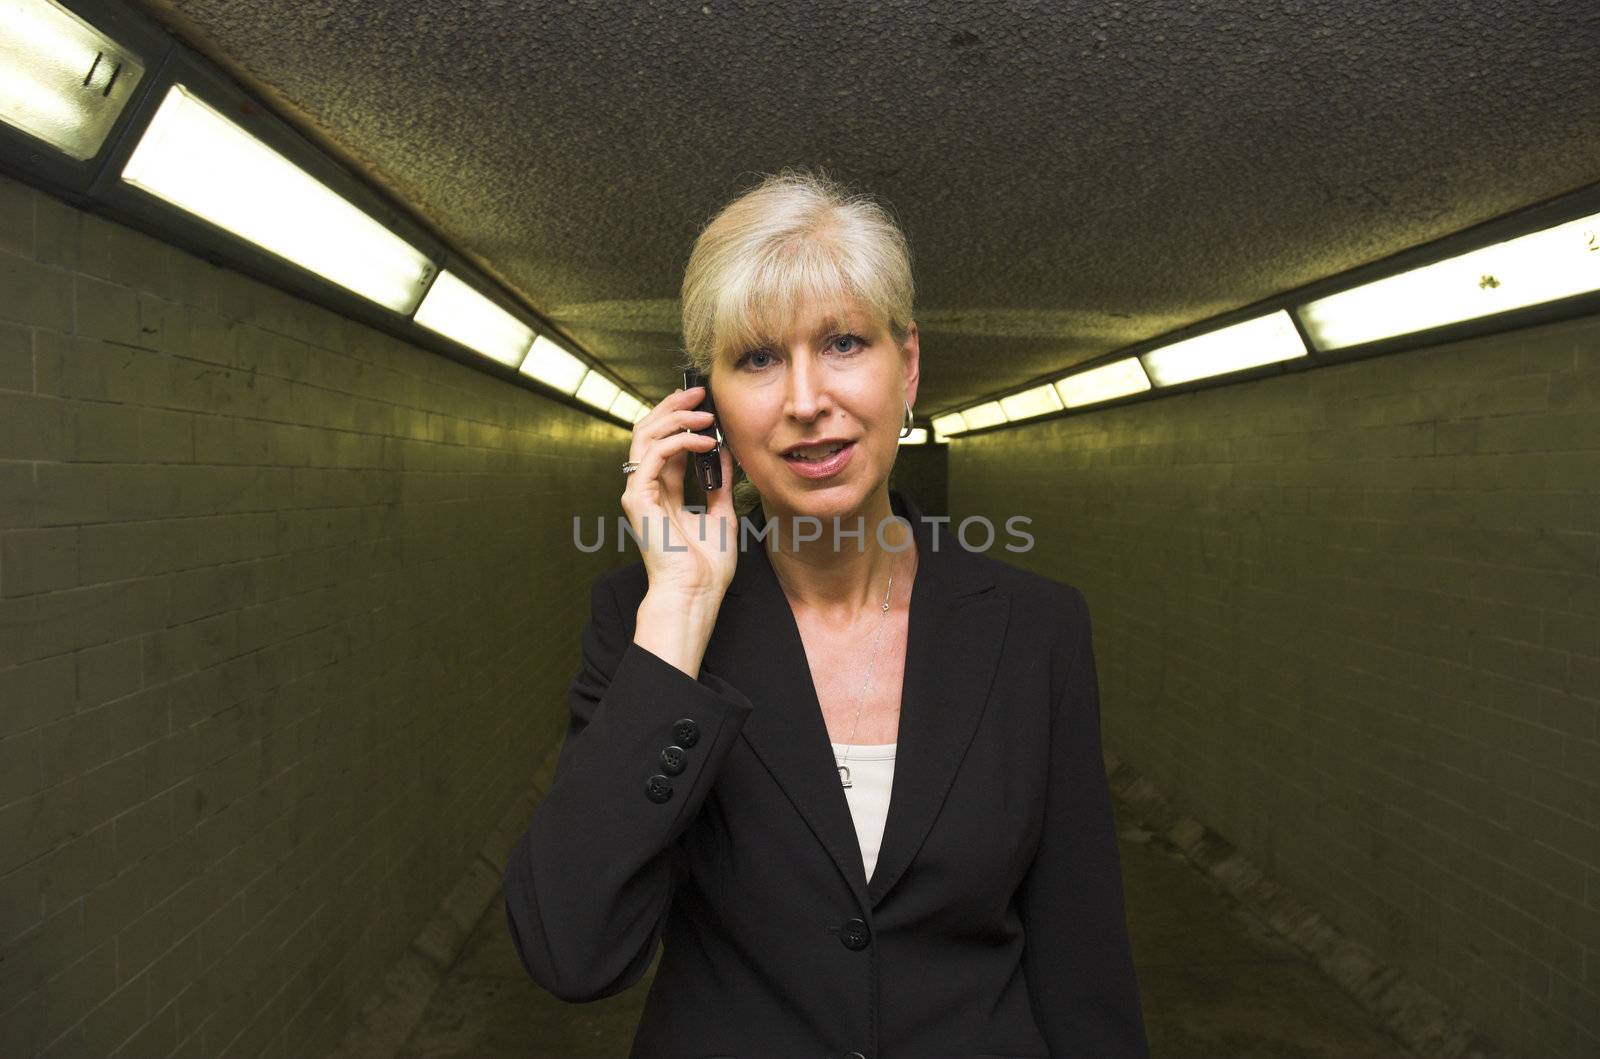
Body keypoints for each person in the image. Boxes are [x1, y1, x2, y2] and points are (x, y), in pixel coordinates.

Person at [502, 166, 1148, 1059]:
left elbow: (1085, 971)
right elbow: (572, 952)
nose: (807, 400)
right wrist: (682, 609)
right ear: (705, 405)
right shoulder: (644, 624)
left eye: (843, 342)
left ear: (909, 365)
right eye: (758, 358)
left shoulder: (1036, 630)